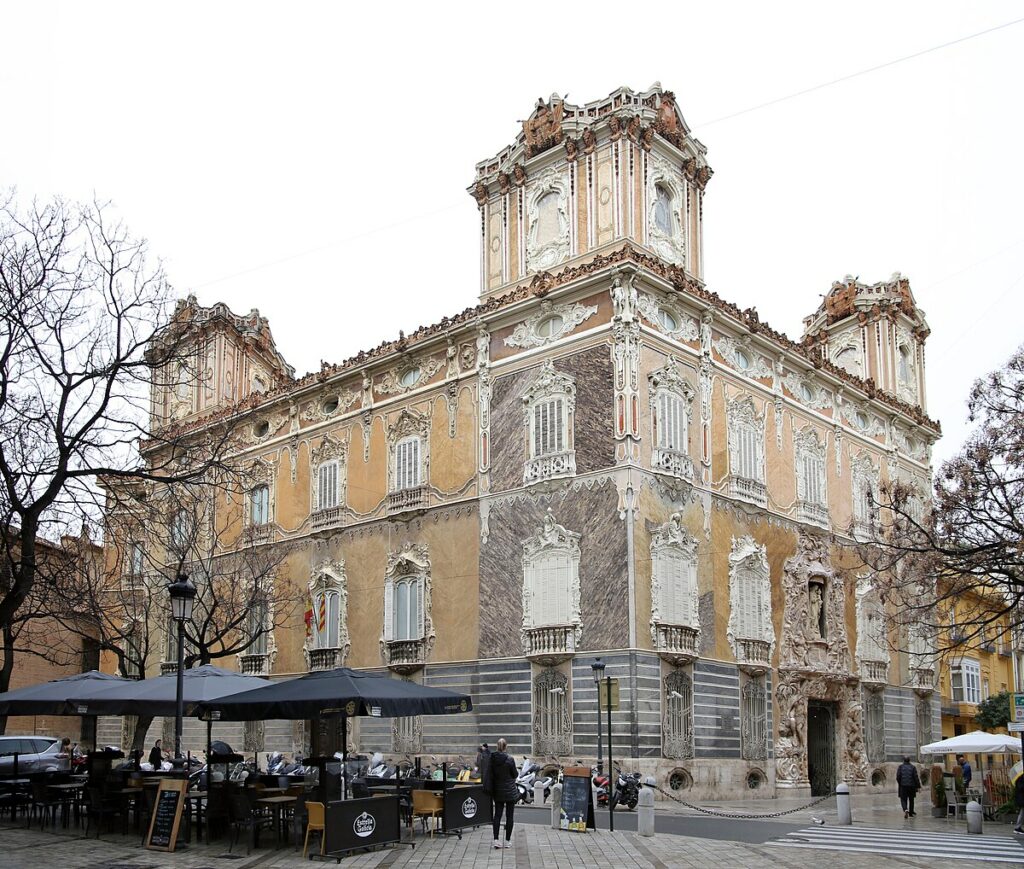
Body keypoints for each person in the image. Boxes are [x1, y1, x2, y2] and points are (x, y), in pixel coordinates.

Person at [488, 738, 518, 849]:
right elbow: (515, 774)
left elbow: (490, 775)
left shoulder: (493, 759)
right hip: (510, 791)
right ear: (506, 747)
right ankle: (508, 841)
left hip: (498, 791)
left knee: (497, 815)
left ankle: (496, 840)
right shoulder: (510, 760)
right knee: (509, 816)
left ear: (497, 746)